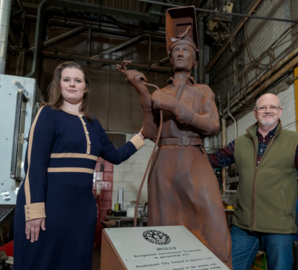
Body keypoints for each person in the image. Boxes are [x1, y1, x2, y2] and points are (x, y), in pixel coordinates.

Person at [116, 7, 232, 268]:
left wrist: (179, 109)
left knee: (214, 227)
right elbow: (150, 130)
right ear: (170, 57)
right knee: (165, 230)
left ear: (195, 59)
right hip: (165, 162)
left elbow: (213, 126)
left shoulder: (203, 91)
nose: (181, 53)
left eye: (186, 50)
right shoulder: (161, 91)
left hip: (194, 159)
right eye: (176, 50)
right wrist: (142, 92)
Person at [13, 61, 145, 270]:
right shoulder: (48, 114)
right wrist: (34, 211)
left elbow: (115, 156)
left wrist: (142, 135)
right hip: (48, 207)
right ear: (59, 84)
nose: (72, 84)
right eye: (66, 80)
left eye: (78, 80)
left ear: (86, 87)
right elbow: (34, 166)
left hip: (81, 210)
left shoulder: (94, 124)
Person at [208, 93, 298, 270]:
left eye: (272, 107)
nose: (267, 111)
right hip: (243, 227)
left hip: (279, 227)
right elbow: (214, 160)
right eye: (262, 107)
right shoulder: (239, 143)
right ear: (255, 112)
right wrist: (185, 145)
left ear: (280, 111)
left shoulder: (295, 142)